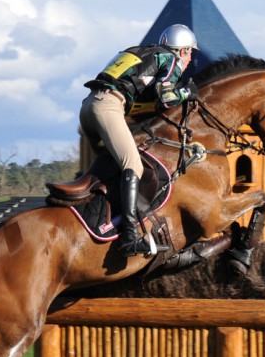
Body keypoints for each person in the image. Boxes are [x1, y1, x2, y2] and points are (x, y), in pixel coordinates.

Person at [79, 24, 199, 256]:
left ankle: (105, 221)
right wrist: (187, 93)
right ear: (182, 50)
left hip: (89, 107)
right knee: (132, 165)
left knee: (109, 171)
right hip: (108, 107)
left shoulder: (141, 52)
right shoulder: (170, 59)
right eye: (191, 52)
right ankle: (130, 238)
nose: (191, 59)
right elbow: (166, 97)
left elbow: (141, 96)